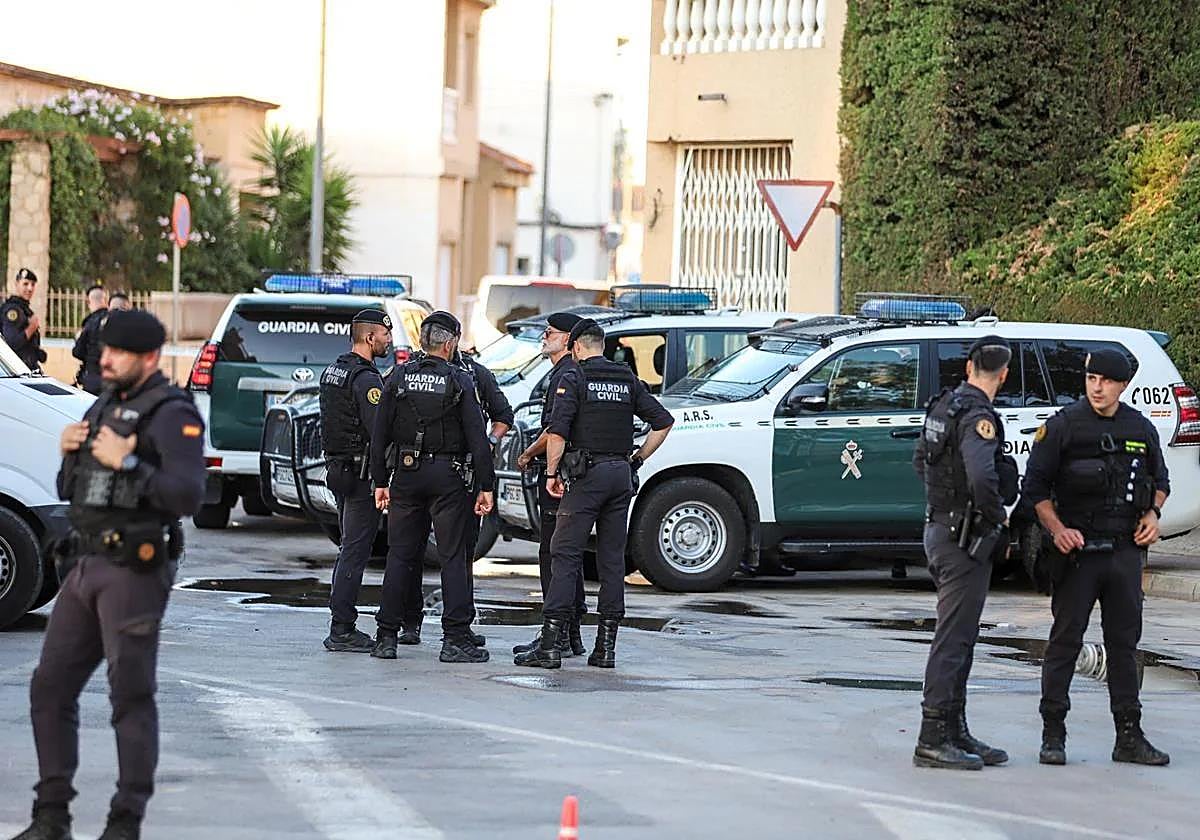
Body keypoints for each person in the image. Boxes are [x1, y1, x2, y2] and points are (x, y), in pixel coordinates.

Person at [13, 309, 205, 840]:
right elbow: (75, 487)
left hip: (133, 571)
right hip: (84, 564)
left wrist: (128, 463)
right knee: (49, 687)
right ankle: (51, 815)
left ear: (148, 358)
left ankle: (125, 823)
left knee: (130, 694)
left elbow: (188, 495)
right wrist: (69, 456)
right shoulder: (103, 405)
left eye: (117, 352)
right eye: (104, 350)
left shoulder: (172, 413)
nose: (105, 358)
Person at [1022, 348, 1170, 767]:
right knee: (1065, 642)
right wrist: (1058, 529)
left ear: (1123, 385)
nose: (1097, 387)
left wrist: (1153, 513)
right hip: (1078, 555)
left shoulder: (1139, 427)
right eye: (1091, 379)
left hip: (1124, 553)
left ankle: (1129, 736)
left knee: (1123, 646)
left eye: (1106, 380)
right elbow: (1034, 489)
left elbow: (1161, 480)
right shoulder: (1064, 427)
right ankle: (1053, 733)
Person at [516, 318, 673, 669]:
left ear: (576, 347)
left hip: (586, 478)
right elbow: (663, 422)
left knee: (564, 553)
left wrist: (552, 473)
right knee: (612, 559)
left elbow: (557, 432)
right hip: (620, 475)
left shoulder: (575, 376)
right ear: (602, 345)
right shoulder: (625, 378)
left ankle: (552, 645)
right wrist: (637, 458)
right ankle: (605, 649)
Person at [911, 335, 1018, 770]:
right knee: (953, 639)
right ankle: (932, 736)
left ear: (969, 366)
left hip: (941, 527)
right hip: (962, 537)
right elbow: (982, 474)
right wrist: (995, 518)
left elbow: (920, 461)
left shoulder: (945, 405)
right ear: (1004, 374)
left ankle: (954, 729)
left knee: (962, 636)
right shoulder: (977, 415)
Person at [369, 311, 495, 663]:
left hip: (406, 476)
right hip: (448, 477)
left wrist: (381, 481)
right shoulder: (459, 380)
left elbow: (379, 435)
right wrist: (486, 485)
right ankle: (455, 638)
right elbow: (477, 437)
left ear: (423, 342)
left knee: (400, 555)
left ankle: (386, 636)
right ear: (451, 343)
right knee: (453, 556)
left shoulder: (399, 376)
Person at [513, 311, 588, 658]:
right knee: (564, 554)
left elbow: (556, 429)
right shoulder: (564, 372)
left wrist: (529, 454)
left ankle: (555, 633)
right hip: (569, 473)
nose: (545, 337)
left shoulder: (567, 374)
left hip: (560, 474)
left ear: (568, 340)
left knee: (553, 555)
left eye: (551, 332)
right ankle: (570, 634)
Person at [318, 309, 393, 653]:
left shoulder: (334, 370)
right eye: (385, 335)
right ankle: (342, 628)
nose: (388, 341)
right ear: (369, 337)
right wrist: (383, 478)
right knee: (355, 551)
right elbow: (378, 432)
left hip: (338, 469)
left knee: (348, 546)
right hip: (361, 474)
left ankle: (341, 623)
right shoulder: (365, 379)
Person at [2, 267, 47, 372]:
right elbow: (11, 344)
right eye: (25, 284)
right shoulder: (13, 310)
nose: (30, 288)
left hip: (26, 368)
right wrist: (31, 328)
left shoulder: (24, 309)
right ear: (17, 284)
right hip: (16, 370)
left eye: (33, 284)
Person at [72, 284, 110, 394]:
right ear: (106, 300)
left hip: (92, 379)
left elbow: (78, 352)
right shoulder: (114, 319)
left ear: (88, 302)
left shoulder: (89, 323)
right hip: (111, 379)